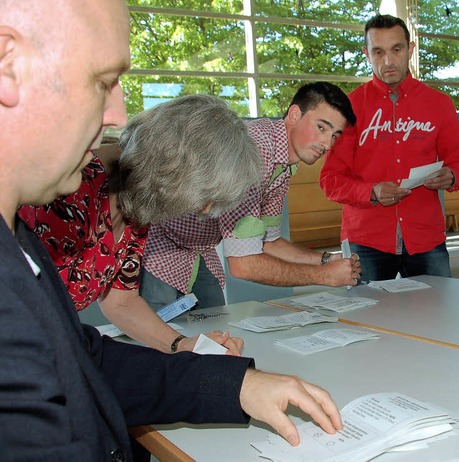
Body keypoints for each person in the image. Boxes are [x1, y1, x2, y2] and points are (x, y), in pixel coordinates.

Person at [0, 1, 343, 458]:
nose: (204, 212)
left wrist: (186, 347)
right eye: (104, 83)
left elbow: (110, 313)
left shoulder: (137, 215)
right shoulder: (56, 198)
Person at [18, 94, 257, 354]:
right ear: (176, 169)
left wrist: (182, 345)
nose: (205, 209)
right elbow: (28, 306)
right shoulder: (71, 188)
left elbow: (122, 302)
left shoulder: (137, 204)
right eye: (205, 196)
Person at [140, 82, 362, 310]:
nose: (327, 144)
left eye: (335, 135)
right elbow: (243, 264)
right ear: (295, 114)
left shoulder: (283, 165)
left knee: (212, 333)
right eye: (321, 128)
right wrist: (323, 276)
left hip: (200, 252)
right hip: (161, 249)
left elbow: (269, 241)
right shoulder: (257, 151)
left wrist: (326, 259)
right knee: (162, 339)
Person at [319, 14, 459, 283]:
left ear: (411, 50)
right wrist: (372, 192)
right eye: (378, 52)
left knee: (438, 319)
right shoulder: (348, 108)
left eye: (396, 50)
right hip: (366, 241)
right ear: (366, 53)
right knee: (367, 322)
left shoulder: (440, 104)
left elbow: (458, 164)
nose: (388, 61)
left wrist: (452, 176)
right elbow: (330, 181)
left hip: (426, 236)